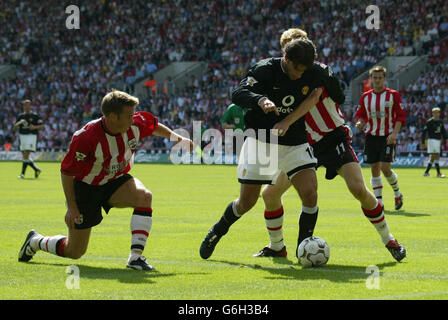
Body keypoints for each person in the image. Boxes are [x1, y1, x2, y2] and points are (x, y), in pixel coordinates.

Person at [254, 29, 406, 262]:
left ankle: (389, 239)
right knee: (270, 194)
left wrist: (284, 122)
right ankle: (277, 247)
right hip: (302, 145)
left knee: (358, 188)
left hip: (332, 137)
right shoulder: (284, 76)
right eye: (287, 47)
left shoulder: (318, 73)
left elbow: (313, 100)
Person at [199, 37, 344, 260]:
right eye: (296, 69)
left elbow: (334, 95)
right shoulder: (264, 69)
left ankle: (301, 250)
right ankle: (217, 231)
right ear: (286, 58)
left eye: (304, 70)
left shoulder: (315, 71)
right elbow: (237, 94)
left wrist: (328, 80)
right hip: (261, 139)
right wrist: (261, 100)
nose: (299, 75)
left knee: (310, 193)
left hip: (294, 141)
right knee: (246, 203)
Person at [18, 90, 194, 271]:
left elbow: (153, 125)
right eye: (128, 116)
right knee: (75, 251)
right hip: (87, 188)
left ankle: (135, 258)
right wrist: (72, 206)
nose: (133, 119)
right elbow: (67, 172)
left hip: (116, 180)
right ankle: (35, 241)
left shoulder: (135, 123)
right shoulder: (86, 137)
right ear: (111, 117)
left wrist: (178, 138)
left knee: (144, 197)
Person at [355, 66, 406, 211]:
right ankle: (379, 202)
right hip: (371, 136)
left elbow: (400, 116)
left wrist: (394, 134)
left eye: (380, 78)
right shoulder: (366, 96)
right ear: (371, 79)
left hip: (387, 136)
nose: (377, 80)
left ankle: (397, 193)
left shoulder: (393, 95)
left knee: (385, 167)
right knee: (374, 168)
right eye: (375, 78)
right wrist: (360, 122)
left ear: (384, 79)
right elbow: (361, 114)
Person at [12, 100, 44, 179]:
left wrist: (34, 127)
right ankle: (36, 169)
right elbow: (14, 127)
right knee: (25, 156)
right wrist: (19, 122)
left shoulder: (35, 116)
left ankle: (22, 174)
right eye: (25, 105)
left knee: (26, 155)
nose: (26, 107)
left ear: (30, 106)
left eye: (28, 105)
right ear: (23, 107)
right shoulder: (20, 116)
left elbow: (42, 126)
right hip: (22, 136)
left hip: (31, 136)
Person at [422, 107, 447, 177]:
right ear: (432, 113)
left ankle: (426, 173)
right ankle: (438, 173)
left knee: (433, 157)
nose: (436, 114)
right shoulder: (429, 122)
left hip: (438, 141)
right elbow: (424, 132)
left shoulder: (440, 122)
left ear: (439, 113)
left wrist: (446, 138)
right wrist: (423, 142)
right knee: (436, 156)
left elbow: (443, 131)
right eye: (435, 112)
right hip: (432, 140)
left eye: (438, 112)